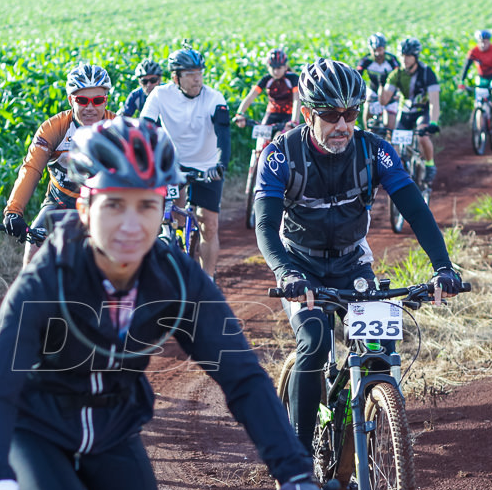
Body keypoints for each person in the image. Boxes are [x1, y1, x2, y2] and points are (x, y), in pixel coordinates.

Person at [0, 116, 324, 490]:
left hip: (114, 430)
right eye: (114, 204)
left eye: (147, 205)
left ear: (165, 208)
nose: (131, 225)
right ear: (85, 205)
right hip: (39, 431)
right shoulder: (51, 273)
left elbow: (242, 378)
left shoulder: (175, 277)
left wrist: (294, 473)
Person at [252, 58, 462, 454]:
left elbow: (415, 210)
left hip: (352, 263)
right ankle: (297, 467)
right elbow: (265, 227)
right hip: (301, 264)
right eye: (331, 115)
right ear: (306, 113)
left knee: (378, 350)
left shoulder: (373, 152)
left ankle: (370, 437)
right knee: (314, 342)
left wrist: (443, 267)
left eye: (351, 113)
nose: (343, 125)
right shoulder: (281, 155)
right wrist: (285, 273)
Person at [2, 62, 116, 266]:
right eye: (82, 100)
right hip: (60, 202)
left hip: (105, 205)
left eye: (97, 100)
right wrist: (13, 211)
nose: (90, 107)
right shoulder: (53, 128)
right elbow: (31, 169)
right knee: (33, 254)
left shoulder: (119, 128)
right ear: (71, 99)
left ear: (105, 101)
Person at [141, 44, 231, 279]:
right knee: (167, 214)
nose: (197, 80)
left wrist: (221, 165)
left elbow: (224, 135)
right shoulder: (160, 95)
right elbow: (145, 128)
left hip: (208, 165)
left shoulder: (214, 98)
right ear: (175, 77)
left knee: (208, 225)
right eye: (190, 75)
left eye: (200, 73)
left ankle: (208, 280)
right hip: (174, 164)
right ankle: (172, 239)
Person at [379, 38, 440, 185]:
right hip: (405, 112)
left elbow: (434, 102)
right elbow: (383, 101)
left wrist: (433, 122)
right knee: (395, 145)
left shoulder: (427, 73)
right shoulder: (396, 74)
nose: (404, 59)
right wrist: (382, 84)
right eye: (402, 55)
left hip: (422, 112)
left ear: (416, 57)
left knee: (422, 137)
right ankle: (396, 174)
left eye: (408, 56)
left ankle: (430, 165)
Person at [233, 48, 301, 128]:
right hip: (271, 114)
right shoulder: (266, 79)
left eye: (279, 68)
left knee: (279, 136)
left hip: (288, 115)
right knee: (261, 138)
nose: (276, 72)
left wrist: (294, 121)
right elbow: (250, 96)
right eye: (273, 68)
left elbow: (297, 100)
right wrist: (239, 114)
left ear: (285, 67)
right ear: (268, 67)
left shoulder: (293, 78)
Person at [355, 33, 401, 130]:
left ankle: (389, 138)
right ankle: (367, 131)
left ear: (384, 48)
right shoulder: (366, 60)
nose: (377, 54)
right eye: (374, 50)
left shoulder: (391, 60)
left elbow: (400, 76)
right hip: (374, 90)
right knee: (368, 101)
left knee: (390, 129)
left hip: (389, 92)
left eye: (379, 50)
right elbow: (357, 75)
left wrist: (398, 91)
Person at [459, 29, 492, 124]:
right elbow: (466, 66)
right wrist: (462, 81)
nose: (483, 44)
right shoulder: (474, 51)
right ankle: (479, 124)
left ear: (489, 41)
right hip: (482, 77)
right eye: (481, 42)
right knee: (478, 99)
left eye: (485, 42)